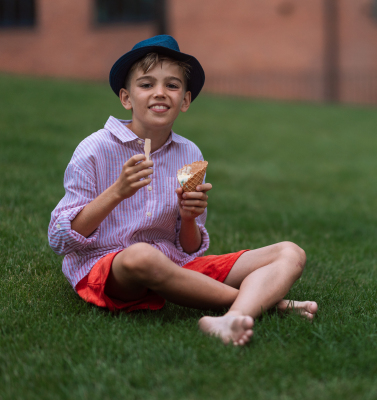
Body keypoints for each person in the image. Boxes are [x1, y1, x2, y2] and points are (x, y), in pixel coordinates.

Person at [48, 35, 317, 346]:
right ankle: (271, 305)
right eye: (146, 84)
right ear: (126, 97)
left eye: (172, 85)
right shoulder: (93, 149)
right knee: (141, 257)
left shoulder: (189, 154)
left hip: (176, 264)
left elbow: (189, 250)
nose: (160, 93)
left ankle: (232, 318)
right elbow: (59, 238)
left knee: (290, 252)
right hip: (110, 269)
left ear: (185, 100)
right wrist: (117, 192)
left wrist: (189, 217)